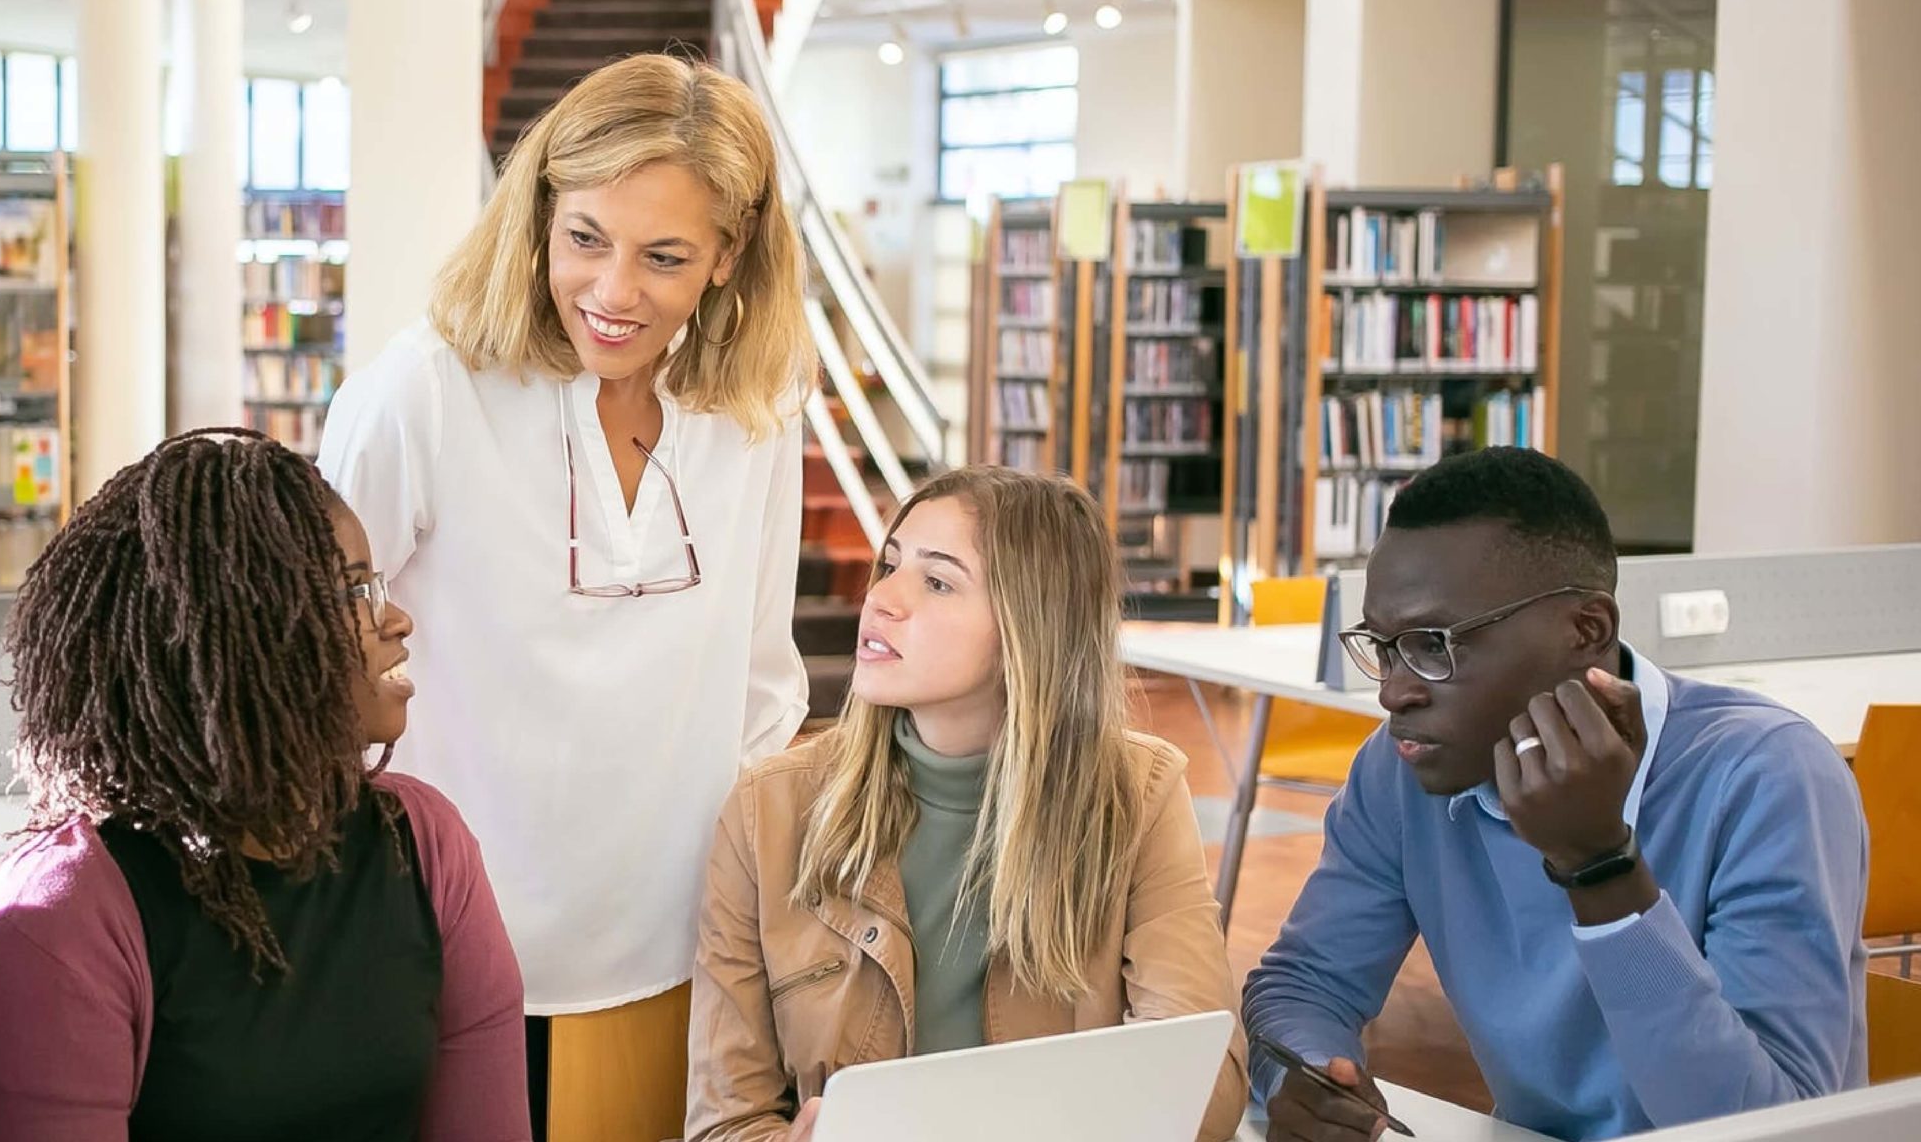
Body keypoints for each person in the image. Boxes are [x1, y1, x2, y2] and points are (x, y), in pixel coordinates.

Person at [317, 51, 814, 1125]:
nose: (614, 290)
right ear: (540, 210)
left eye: (665, 256)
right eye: (584, 238)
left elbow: (762, 674)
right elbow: (308, 655)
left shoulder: (761, 400)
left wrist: (748, 912)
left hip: (684, 941)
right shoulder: (423, 391)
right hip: (444, 945)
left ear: (728, 255)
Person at [1246, 447, 1869, 1142]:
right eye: (1384, 647)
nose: (1393, 690)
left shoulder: (1766, 778)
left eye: (1434, 644)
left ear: (1586, 631)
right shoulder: (1400, 772)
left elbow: (1771, 1129)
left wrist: (1598, 864)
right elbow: (1305, 984)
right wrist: (1302, 1079)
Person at [0, 429, 529, 1142]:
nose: (396, 618)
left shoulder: (427, 846)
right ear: (238, 630)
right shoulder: (56, 924)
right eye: (352, 589)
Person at [687, 467, 1251, 1142]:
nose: (882, 600)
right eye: (889, 565)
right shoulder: (766, 810)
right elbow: (727, 1121)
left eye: (937, 580)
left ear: (1031, 626)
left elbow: (1200, 1083)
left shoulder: (1140, 796)